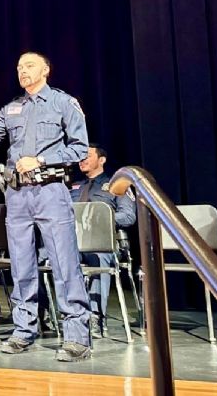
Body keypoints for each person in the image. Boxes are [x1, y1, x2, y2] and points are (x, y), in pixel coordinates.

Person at [0, 52, 92, 361]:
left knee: (64, 264)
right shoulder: (12, 108)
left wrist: (41, 159)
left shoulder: (63, 103)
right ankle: (24, 330)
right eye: (18, 67)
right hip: (17, 194)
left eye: (29, 66)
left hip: (50, 191)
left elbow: (80, 149)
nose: (22, 71)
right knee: (22, 265)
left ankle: (76, 337)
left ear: (46, 70)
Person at [70, 142, 136, 338]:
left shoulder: (117, 185)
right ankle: (46, 314)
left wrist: (100, 218)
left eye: (87, 156)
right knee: (41, 256)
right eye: (80, 156)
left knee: (97, 256)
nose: (82, 160)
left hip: (103, 244)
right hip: (73, 243)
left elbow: (128, 216)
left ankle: (95, 317)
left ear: (102, 160)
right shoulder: (73, 185)